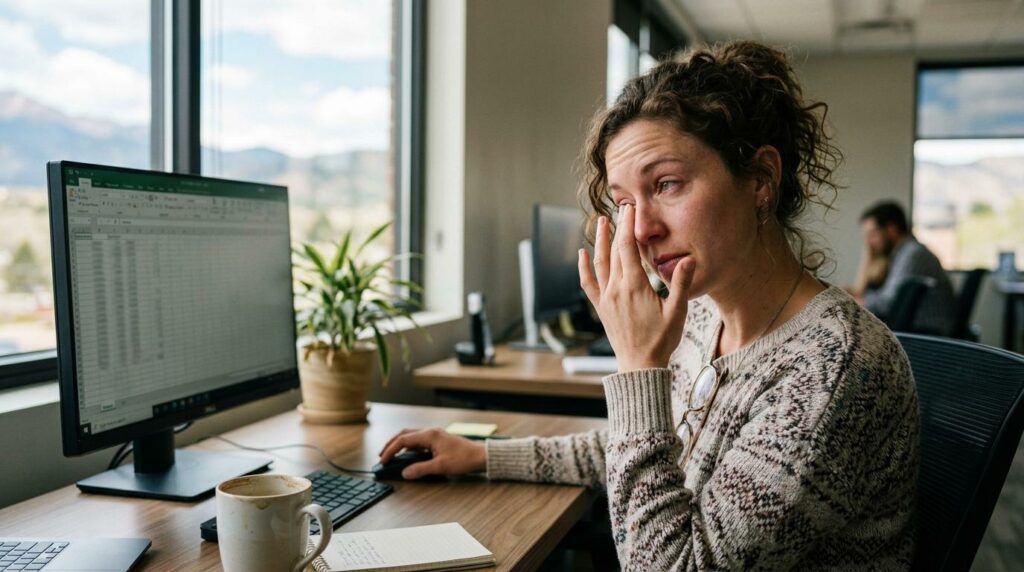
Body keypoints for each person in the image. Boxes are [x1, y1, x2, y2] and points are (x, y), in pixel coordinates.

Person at [379, 41, 919, 570]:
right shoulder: (704, 315)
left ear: (760, 180)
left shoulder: (833, 368)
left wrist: (639, 368)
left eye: (667, 184)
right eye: (624, 202)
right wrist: (485, 456)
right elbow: (646, 446)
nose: (641, 229)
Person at [851, 201, 956, 335]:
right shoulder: (901, 253)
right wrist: (868, 258)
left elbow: (886, 303)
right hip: (918, 330)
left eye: (873, 234)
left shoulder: (912, 254)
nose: (868, 243)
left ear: (891, 230)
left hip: (928, 333)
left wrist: (851, 300)